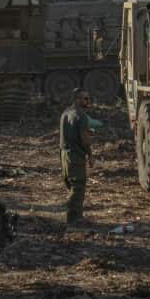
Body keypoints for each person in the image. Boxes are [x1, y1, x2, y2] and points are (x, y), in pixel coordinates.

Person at [60, 88, 94, 226]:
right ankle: (74, 219)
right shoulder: (81, 116)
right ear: (77, 99)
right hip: (75, 156)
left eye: (88, 98)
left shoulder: (65, 113)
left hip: (64, 155)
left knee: (71, 185)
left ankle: (74, 216)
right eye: (85, 99)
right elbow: (84, 139)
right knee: (78, 187)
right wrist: (90, 154)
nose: (88, 101)